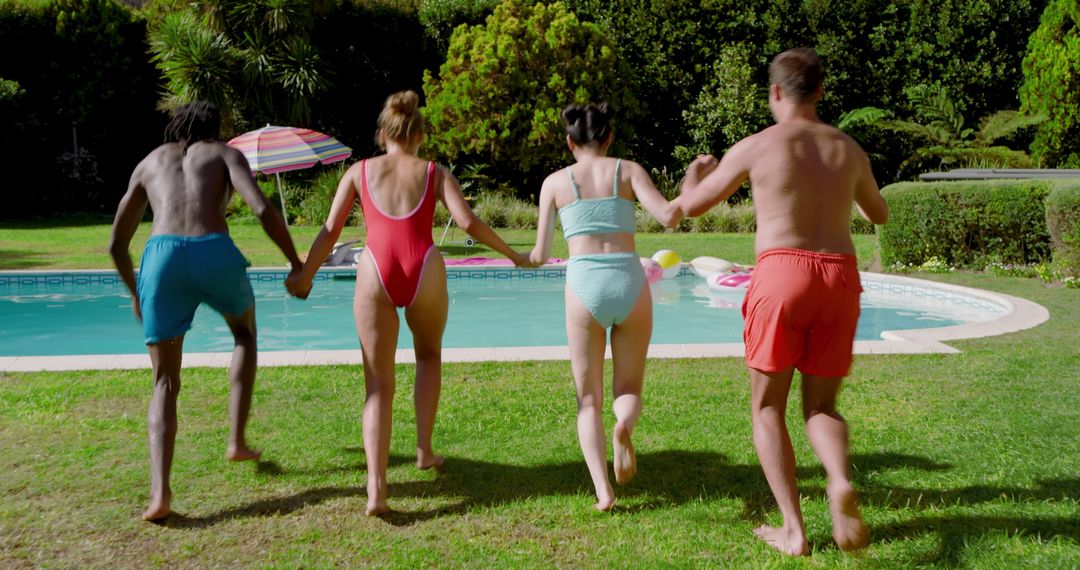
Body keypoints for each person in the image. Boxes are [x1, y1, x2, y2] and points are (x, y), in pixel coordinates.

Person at [679, 48, 889, 555]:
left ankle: (794, 531)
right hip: (839, 276)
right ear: (819, 92)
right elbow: (879, 214)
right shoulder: (848, 148)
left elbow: (690, 208)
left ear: (775, 92)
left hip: (782, 272)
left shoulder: (758, 145)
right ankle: (838, 479)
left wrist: (694, 172)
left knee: (767, 406)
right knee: (821, 406)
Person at [286, 90, 532, 516]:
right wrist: (515, 256)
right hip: (425, 268)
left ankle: (377, 490)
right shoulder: (435, 173)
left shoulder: (358, 172)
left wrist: (306, 276)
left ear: (383, 135)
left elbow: (329, 230)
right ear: (420, 133)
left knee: (377, 385)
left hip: (375, 269)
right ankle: (423, 450)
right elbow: (469, 222)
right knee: (428, 357)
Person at [108, 101, 304, 522]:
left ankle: (160, 495)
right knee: (245, 335)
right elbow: (261, 208)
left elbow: (116, 245)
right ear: (214, 129)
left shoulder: (148, 163)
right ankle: (236, 440)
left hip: (161, 258)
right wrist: (295, 262)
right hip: (213, 250)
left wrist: (135, 291)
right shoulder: (224, 153)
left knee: (164, 381)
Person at [529, 103, 682, 511]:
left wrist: (518, 256)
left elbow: (542, 253)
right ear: (609, 137)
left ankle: (603, 491)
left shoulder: (554, 183)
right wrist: (695, 181)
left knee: (588, 400)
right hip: (630, 283)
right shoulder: (628, 171)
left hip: (584, 287)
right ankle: (624, 426)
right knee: (628, 388)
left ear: (569, 142)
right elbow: (669, 216)